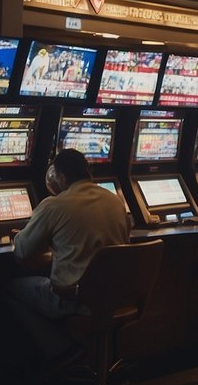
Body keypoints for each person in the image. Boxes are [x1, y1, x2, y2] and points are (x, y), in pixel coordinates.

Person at [8, 149, 130, 365]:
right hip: (115, 296)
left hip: (74, 298)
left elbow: (22, 251)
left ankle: (60, 351)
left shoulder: (55, 204)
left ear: (60, 177)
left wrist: (20, 236)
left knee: (9, 288)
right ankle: (80, 354)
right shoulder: (115, 200)